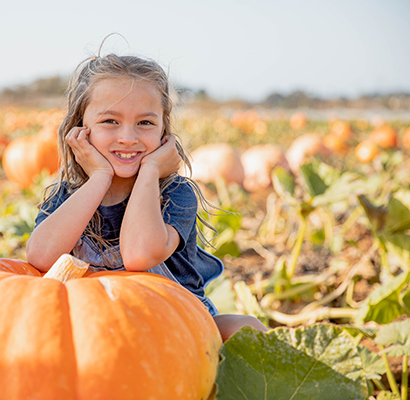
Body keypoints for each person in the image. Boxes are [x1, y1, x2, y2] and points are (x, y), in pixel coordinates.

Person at [26, 50, 267, 342]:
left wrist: (151, 170)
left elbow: (140, 255)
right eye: (110, 122)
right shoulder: (67, 195)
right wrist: (99, 177)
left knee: (247, 328)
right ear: (80, 127)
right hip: (92, 325)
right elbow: (40, 256)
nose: (128, 137)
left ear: (164, 130)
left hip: (173, 327)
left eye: (145, 123)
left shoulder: (176, 194)